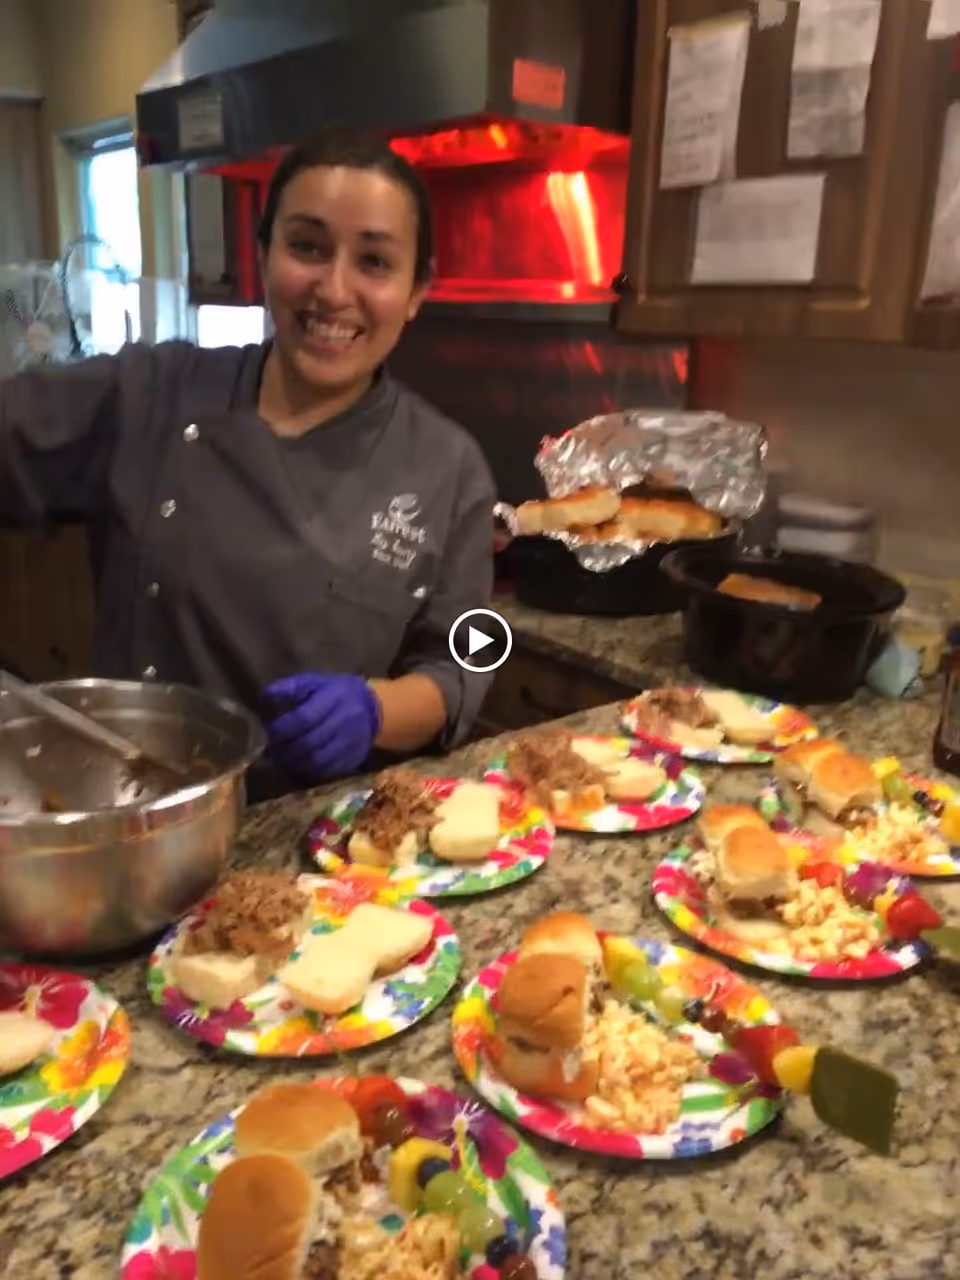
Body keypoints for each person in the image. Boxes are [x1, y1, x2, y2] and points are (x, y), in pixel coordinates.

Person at [0, 127, 497, 800]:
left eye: (375, 262)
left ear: (416, 290)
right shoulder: (151, 393)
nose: (333, 288)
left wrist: (376, 709)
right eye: (307, 247)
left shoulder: (451, 466)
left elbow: (472, 653)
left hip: (321, 849)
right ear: (264, 255)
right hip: (128, 819)